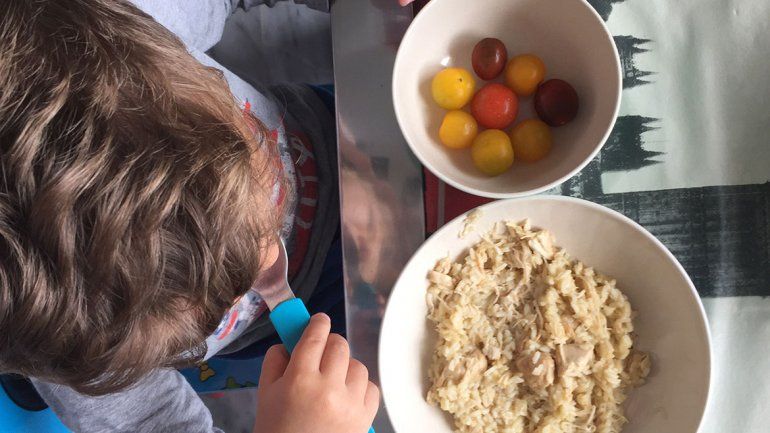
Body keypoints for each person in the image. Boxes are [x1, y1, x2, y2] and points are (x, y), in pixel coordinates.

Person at [0, 0, 412, 431]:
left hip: (335, 138)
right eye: (210, 309)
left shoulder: (114, 23)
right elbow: (160, 422)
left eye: (253, 146)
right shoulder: (82, 353)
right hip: (290, 323)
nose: (269, 256)